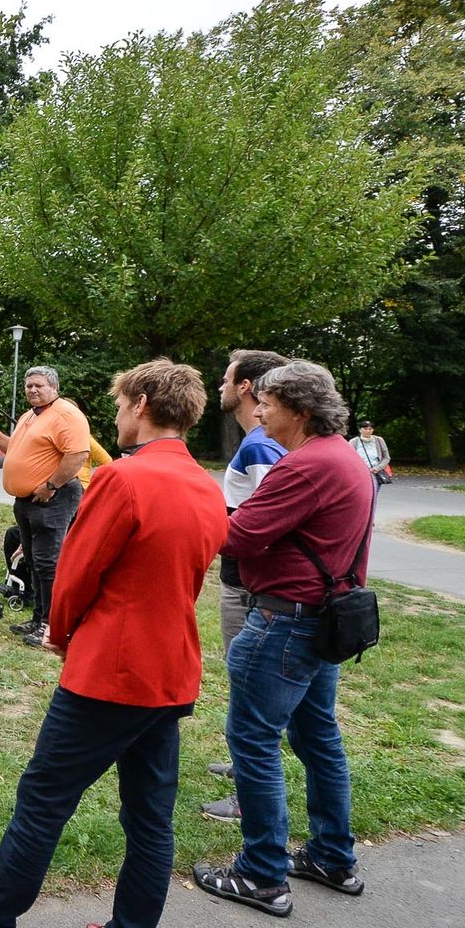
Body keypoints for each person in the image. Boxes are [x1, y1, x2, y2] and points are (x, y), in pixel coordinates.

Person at [0, 360, 228, 928]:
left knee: (44, 797)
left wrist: (59, 634)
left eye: (121, 403)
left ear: (142, 406)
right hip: (172, 669)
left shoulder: (123, 479)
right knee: (151, 818)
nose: (116, 413)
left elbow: (75, 574)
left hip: (110, 670)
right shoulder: (207, 485)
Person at [193, 361, 374, 919]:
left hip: (284, 622)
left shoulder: (306, 466)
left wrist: (188, 502)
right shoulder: (344, 457)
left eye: (268, 403)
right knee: (319, 738)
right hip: (321, 621)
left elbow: (237, 536)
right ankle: (331, 857)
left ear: (299, 410)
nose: (259, 410)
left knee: (253, 741)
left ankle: (261, 875)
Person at [201, 348, 288, 822]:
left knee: (250, 687)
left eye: (226, 378)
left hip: (248, 584)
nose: (220, 386)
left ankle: (247, 796)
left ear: (246, 387)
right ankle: (241, 769)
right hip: (245, 580)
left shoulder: (260, 446)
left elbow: (271, 520)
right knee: (245, 684)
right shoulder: (256, 441)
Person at [0, 366, 90, 648]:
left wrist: (51, 485)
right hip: (26, 501)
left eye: (38, 386)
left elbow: (78, 454)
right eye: (28, 386)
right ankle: (37, 618)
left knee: (48, 562)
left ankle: (51, 625)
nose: (32, 390)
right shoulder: (30, 416)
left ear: (54, 388)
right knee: (33, 559)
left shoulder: (66, 415)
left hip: (53, 498)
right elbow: (14, 448)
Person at [348, 420, 391, 491]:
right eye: (365, 429)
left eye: (370, 429)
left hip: (375, 472)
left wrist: (377, 468)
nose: (368, 431)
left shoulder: (379, 440)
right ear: (360, 430)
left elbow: (386, 457)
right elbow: (349, 458)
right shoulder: (354, 442)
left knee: (374, 495)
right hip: (360, 473)